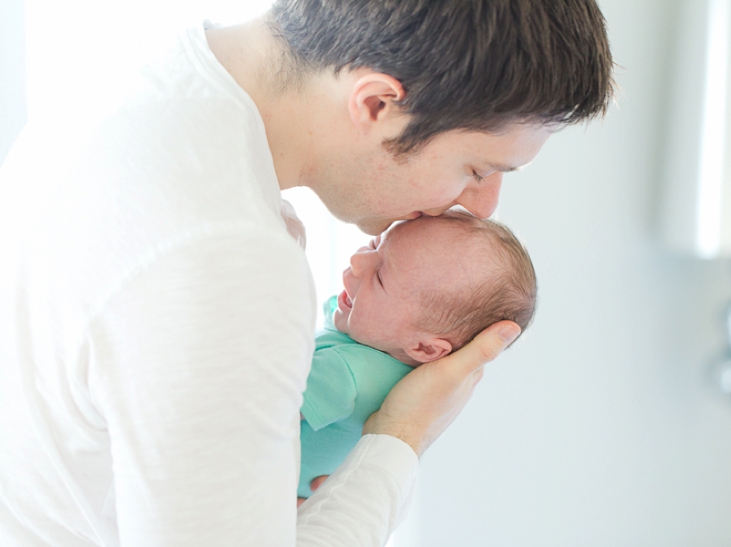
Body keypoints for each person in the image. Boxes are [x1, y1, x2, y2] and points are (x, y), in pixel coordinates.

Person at [0, 1, 613, 545]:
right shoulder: (225, 256)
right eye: (477, 169)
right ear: (376, 104)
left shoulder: (134, 83)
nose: (480, 206)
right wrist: (402, 434)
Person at [298, 211, 537, 501]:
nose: (358, 261)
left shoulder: (347, 374)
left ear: (424, 348)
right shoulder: (375, 336)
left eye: (381, 278)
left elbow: (254, 404)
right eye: (375, 245)